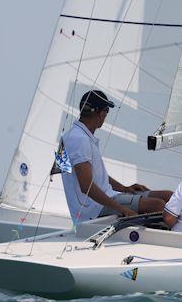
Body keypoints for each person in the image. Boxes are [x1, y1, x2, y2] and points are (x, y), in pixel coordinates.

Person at [61, 90, 172, 223]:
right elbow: (86, 187)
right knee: (158, 205)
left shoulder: (74, 136)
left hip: (107, 198)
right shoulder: (78, 139)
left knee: (169, 196)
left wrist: (124, 188)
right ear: (102, 114)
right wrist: (121, 208)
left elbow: (91, 175)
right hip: (94, 209)